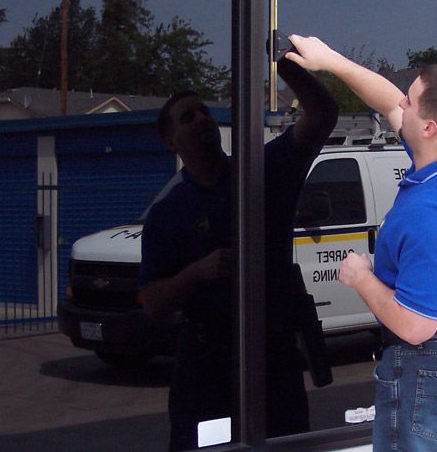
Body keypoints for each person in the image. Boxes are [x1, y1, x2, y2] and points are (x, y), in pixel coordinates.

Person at [286, 35, 437, 451]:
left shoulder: (429, 214)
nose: (401, 105)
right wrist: (331, 60)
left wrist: (360, 277)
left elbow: (416, 326)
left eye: (411, 103)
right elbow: (387, 100)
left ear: (430, 127)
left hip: (432, 366)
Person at [139, 55, 338, 450]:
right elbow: (151, 303)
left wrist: (285, 64)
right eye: (187, 117)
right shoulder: (167, 213)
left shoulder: (263, 170)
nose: (201, 120)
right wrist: (196, 273)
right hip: (206, 367)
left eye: (204, 112)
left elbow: (322, 115)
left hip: (272, 357)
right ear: (170, 142)